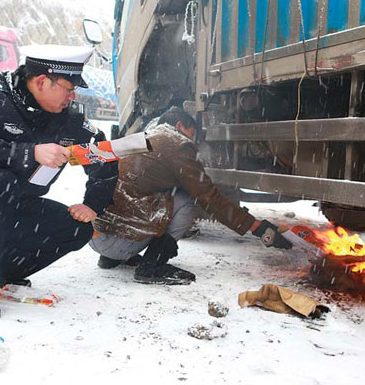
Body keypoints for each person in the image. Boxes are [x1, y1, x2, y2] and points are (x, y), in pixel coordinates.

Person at [0, 44, 119, 320]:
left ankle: (1, 273)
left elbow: (103, 155)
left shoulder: (68, 121)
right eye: (68, 88)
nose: (73, 96)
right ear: (42, 81)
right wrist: (28, 152)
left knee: (77, 228)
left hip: (14, 207)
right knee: (1, 180)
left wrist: (93, 204)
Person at [90, 106, 292, 285]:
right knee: (187, 200)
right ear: (179, 125)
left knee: (143, 192)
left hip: (97, 237)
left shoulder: (143, 138)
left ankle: (111, 258)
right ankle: (151, 265)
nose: (192, 140)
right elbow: (208, 197)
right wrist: (256, 227)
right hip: (119, 243)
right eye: (191, 134)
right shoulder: (177, 144)